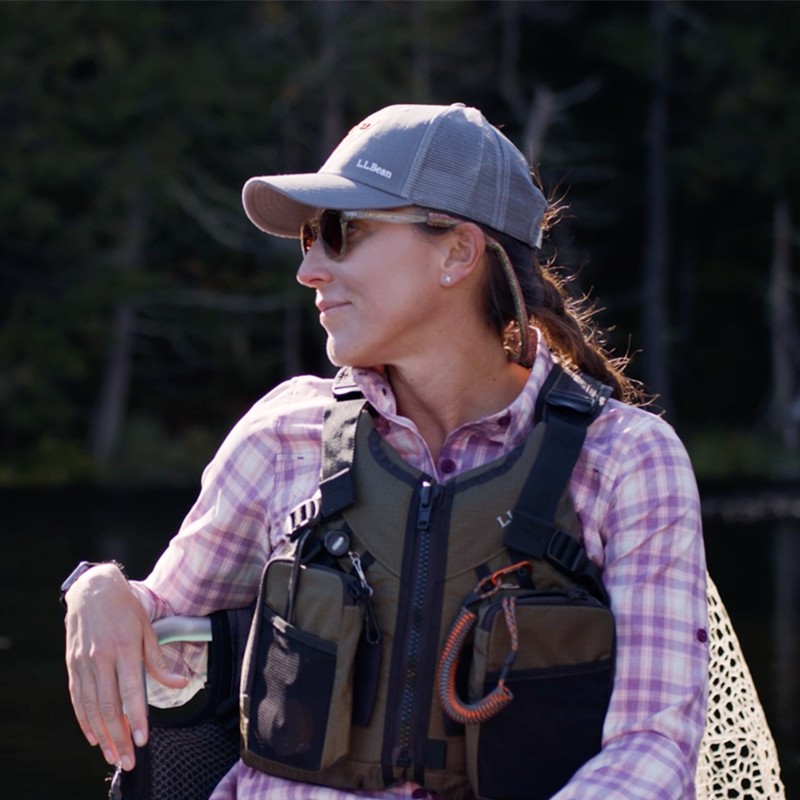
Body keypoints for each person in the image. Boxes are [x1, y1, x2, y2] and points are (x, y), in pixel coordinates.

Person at [63, 102, 708, 800]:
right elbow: (157, 617)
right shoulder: (281, 436)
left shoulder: (630, 462)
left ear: (457, 252)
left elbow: (654, 746)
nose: (309, 268)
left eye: (340, 232)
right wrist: (97, 590)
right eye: (309, 237)